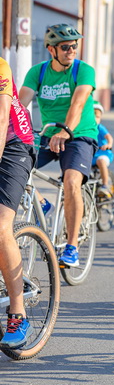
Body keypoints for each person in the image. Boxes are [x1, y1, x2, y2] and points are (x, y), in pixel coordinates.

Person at [19, 23, 98, 268]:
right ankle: (42, 204)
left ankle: (72, 247)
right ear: (51, 50)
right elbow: (19, 105)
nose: (71, 50)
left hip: (79, 135)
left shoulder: (83, 70)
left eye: (74, 46)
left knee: (71, 181)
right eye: (65, 47)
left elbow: (78, 103)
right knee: (12, 166)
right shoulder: (38, 72)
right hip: (47, 135)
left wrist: (66, 131)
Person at [0, 57, 36, 349]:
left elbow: (2, 119)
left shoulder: (0, 66)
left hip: (14, 144)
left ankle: (18, 314)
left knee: (1, 227)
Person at [92, 101, 114, 198]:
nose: (95, 119)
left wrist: (109, 144)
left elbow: (109, 137)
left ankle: (105, 185)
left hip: (102, 153)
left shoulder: (100, 128)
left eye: (98, 117)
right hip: (91, 155)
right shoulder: (84, 129)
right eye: (93, 116)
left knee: (101, 161)